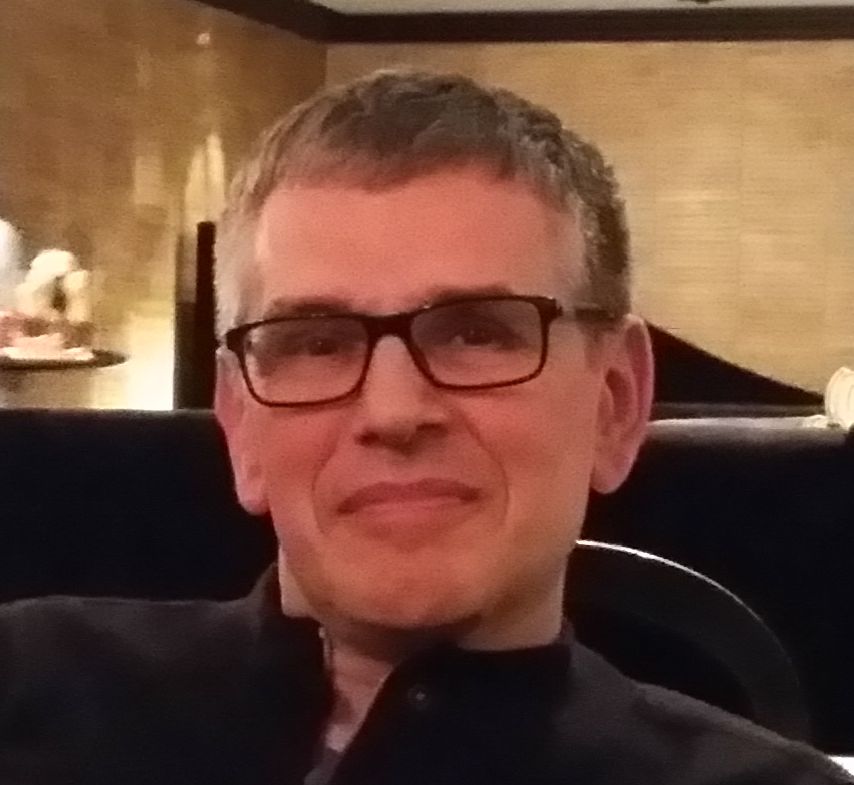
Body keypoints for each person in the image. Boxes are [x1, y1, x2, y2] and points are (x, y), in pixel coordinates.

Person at [0, 69, 850, 785]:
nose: (394, 411)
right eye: (316, 342)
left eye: (478, 333)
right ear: (239, 422)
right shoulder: (28, 685)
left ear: (615, 402)